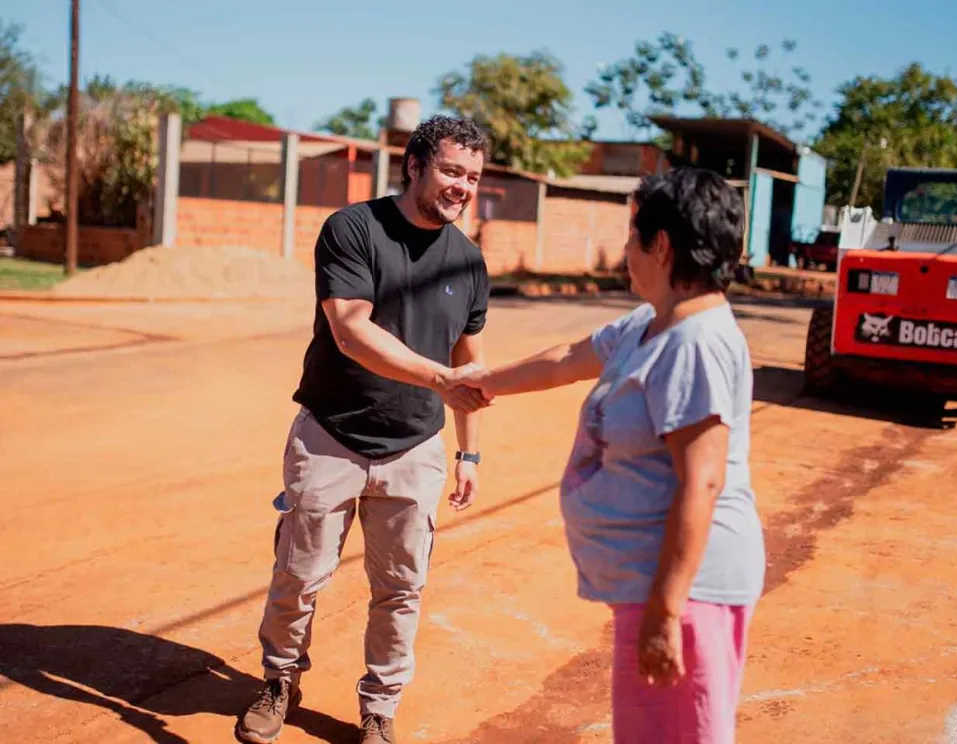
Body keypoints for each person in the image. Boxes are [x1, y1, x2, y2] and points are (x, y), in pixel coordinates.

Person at [463, 168, 766, 743]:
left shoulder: (696, 342)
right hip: (653, 590)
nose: (624, 250)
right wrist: (483, 381)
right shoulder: (652, 323)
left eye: (632, 236)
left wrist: (666, 611)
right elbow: (569, 357)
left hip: (687, 594)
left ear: (662, 244)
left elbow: (701, 483)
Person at [237, 115, 492, 744]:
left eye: (474, 177)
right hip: (331, 437)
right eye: (452, 170)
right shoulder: (353, 229)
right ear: (415, 165)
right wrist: (439, 380)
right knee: (299, 574)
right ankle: (279, 679)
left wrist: (470, 454)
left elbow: (470, 366)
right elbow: (351, 331)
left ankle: (380, 707)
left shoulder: (470, 260)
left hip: (416, 448)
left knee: (402, 588)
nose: (462, 186)